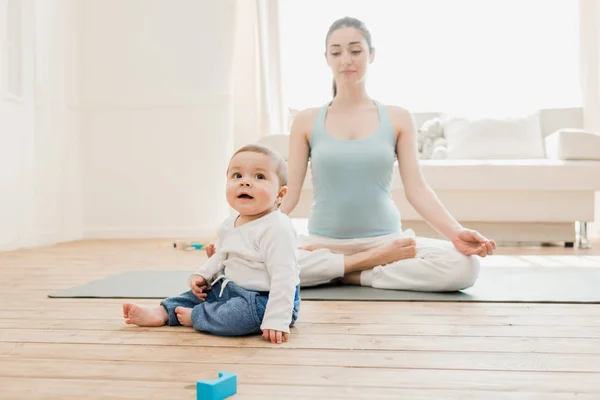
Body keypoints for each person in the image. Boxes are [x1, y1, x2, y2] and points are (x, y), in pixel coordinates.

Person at [208, 16, 496, 293]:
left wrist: (457, 234)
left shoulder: (398, 118)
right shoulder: (307, 121)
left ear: (371, 55)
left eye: (355, 50)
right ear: (327, 59)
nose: (346, 59)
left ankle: (352, 275)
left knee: (464, 267)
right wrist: (243, 238)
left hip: (387, 245)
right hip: (321, 245)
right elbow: (289, 194)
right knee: (247, 268)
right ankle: (351, 269)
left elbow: (417, 189)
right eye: (337, 52)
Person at [123, 144, 301, 344]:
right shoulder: (229, 224)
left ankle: (198, 316)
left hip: (265, 299)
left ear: (280, 194)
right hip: (229, 289)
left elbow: (285, 277)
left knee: (238, 316)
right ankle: (163, 311)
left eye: (259, 177)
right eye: (237, 176)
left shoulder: (277, 228)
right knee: (195, 295)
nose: (245, 183)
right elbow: (221, 255)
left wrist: (277, 319)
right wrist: (202, 275)